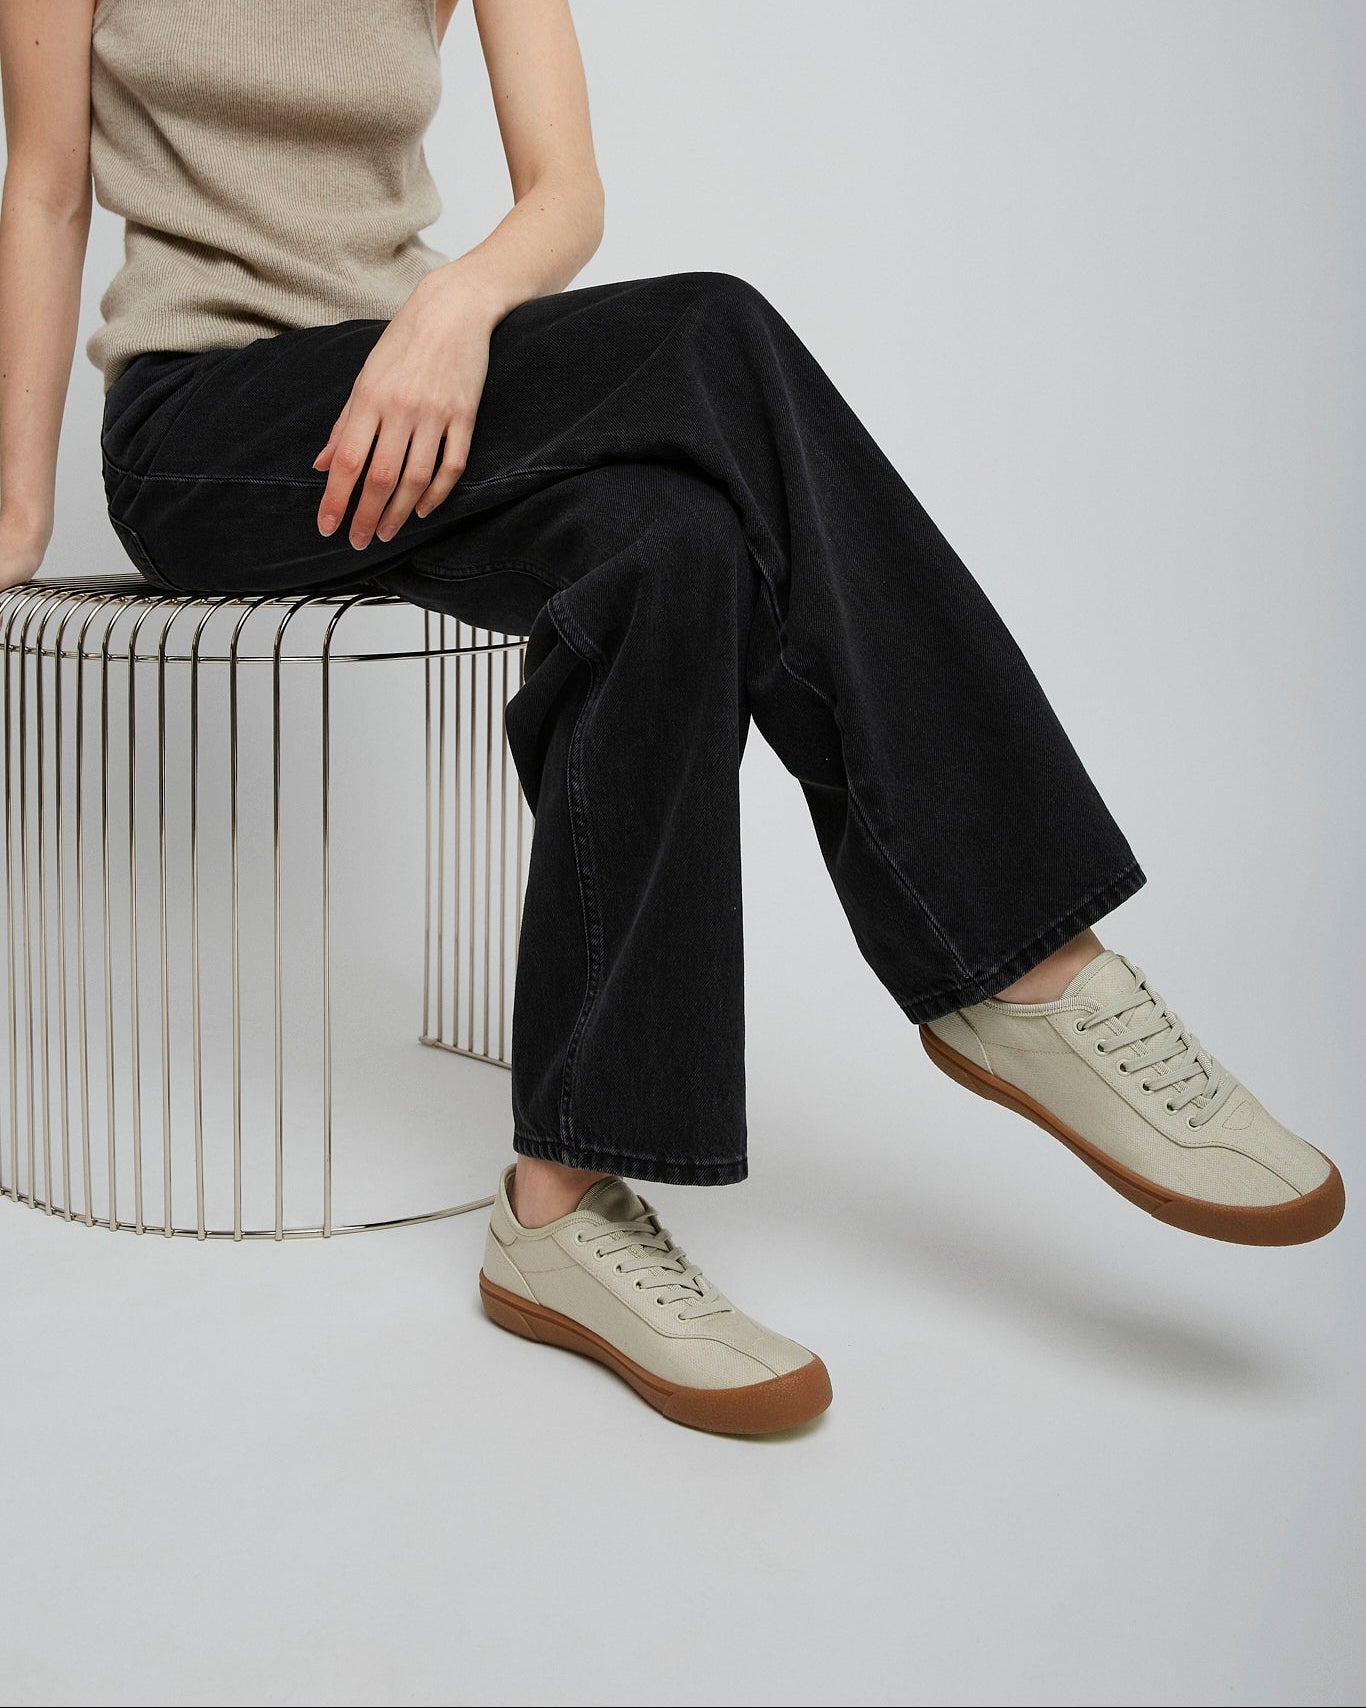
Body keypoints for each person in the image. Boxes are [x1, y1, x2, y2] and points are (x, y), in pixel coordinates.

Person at [0, 0, 1344, 1436]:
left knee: (676, 547)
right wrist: (18, 513)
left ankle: (561, 1201)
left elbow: (564, 191)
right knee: (714, 330)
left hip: (429, 398)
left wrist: (455, 307)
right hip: (213, 431)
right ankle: (1019, 957)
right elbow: (48, 187)